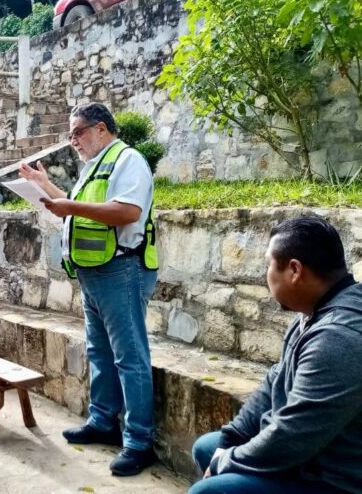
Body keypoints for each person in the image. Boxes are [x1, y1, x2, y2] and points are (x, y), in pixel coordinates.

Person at [19, 102, 159, 476]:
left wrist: (71, 206)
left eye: (77, 132)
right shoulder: (96, 165)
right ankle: (103, 422)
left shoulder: (128, 160)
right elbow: (74, 206)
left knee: (130, 356)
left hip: (121, 269)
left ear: (100, 128)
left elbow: (128, 211)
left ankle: (139, 442)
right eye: (70, 135)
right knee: (100, 351)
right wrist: (42, 185)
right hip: (94, 271)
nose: (73, 141)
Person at [189, 216, 362, 494]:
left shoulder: (338, 337)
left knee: (207, 491)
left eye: (269, 264)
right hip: (310, 455)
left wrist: (226, 461)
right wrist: (232, 438)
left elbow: (293, 435)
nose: (266, 274)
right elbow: (274, 383)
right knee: (209, 447)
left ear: (294, 270)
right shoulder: (312, 313)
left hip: (336, 479)